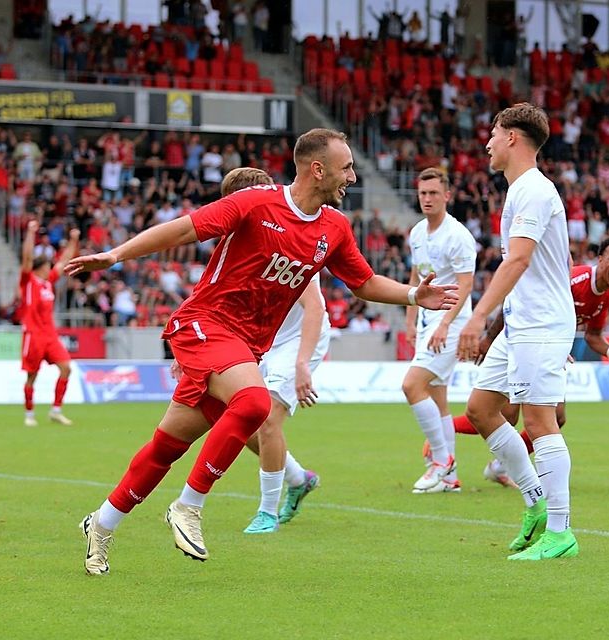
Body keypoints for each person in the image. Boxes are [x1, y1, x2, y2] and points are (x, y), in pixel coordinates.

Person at [65, 128, 459, 575]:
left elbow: (364, 283)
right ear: (318, 169)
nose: (351, 175)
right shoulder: (256, 202)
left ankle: (101, 523)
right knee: (254, 403)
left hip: (244, 348)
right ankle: (189, 505)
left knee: (166, 445)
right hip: (205, 324)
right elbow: (183, 230)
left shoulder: (334, 227)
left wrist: (412, 295)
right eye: (346, 166)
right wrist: (114, 255)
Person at [457, 103, 578, 560]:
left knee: (541, 422)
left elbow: (519, 259)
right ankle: (537, 504)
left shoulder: (533, 191)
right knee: (482, 408)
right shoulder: (520, 191)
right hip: (528, 322)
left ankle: (561, 532)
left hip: (539, 323)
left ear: (511, 137)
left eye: (493, 133)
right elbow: (557, 261)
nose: (487, 142)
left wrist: (478, 317)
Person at [188, 166, 327, 535]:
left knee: (266, 419)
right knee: (235, 415)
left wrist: (302, 363)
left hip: (295, 340)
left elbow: (315, 307)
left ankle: (267, 513)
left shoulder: (285, 232)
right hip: (256, 338)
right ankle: (298, 478)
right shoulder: (239, 238)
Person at [447, 235, 609, 486]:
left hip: (548, 350)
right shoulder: (574, 280)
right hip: (524, 342)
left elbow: (593, 335)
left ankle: (501, 466)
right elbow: (521, 301)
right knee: (506, 414)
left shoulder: (607, 294)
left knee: (554, 417)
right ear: (599, 259)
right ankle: (444, 430)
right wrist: (490, 339)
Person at [402, 167, 476, 494]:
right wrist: (410, 318)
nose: (428, 199)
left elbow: (466, 285)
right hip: (427, 321)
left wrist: (446, 324)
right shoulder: (417, 233)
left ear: (447, 195)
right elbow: (416, 279)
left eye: (434, 193)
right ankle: (450, 478)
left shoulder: (458, 236)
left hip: (451, 323)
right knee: (438, 397)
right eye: (423, 193)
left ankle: (440, 461)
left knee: (411, 385)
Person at [19, 219, 80, 427]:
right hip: (33, 335)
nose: (49, 269)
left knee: (66, 368)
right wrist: (30, 232)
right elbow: (26, 258)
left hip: (50, 335)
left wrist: (74, 240)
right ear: (39, 268)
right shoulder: (28, 280)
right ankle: (29, 414)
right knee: (32, 376)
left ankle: (56, 410)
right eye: (46, 266)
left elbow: (64, 260)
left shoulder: (47, 283)